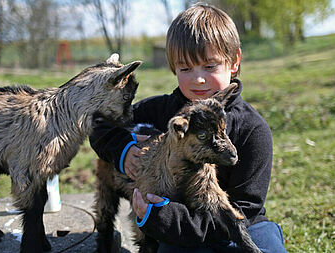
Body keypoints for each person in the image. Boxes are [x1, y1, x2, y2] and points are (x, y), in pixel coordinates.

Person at [89, 3, 287, 253]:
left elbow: (246, 208)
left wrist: (164, 217)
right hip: (178, 225)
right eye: (185, 68)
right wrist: (123, 149)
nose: (198, 79)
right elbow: (99, 124)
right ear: (173, 67)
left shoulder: (253, 130)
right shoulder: (161, 111)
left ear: (234, 62)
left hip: (240, 224)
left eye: (210, 66)